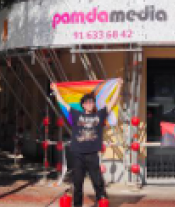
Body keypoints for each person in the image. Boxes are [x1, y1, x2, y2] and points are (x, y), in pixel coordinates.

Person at [52, 79, 123, 207]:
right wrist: (56, 90)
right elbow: (62, 102)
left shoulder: (99, 115)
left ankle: (101, 203)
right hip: (78, 154)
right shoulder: (76, 114)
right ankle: (77, 205)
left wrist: (118, 86)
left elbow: (112, 102)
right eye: (87, 102)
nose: (90, 104)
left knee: (98, 182)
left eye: (92, 102)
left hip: (92, 154)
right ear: (83, 105)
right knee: (77, 183)